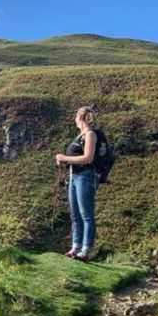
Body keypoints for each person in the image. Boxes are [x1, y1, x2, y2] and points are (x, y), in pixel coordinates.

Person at [55, 106, 99, 262]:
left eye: (75, 117)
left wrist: (64, 158)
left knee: (86, 215)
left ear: (81, 118)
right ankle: (75, 247)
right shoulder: (80, 135)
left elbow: (88, 158)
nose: (74, 119)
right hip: (74, 177)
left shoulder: (90, 135)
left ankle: (85, 250)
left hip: (85, 177)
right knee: (75, 215)